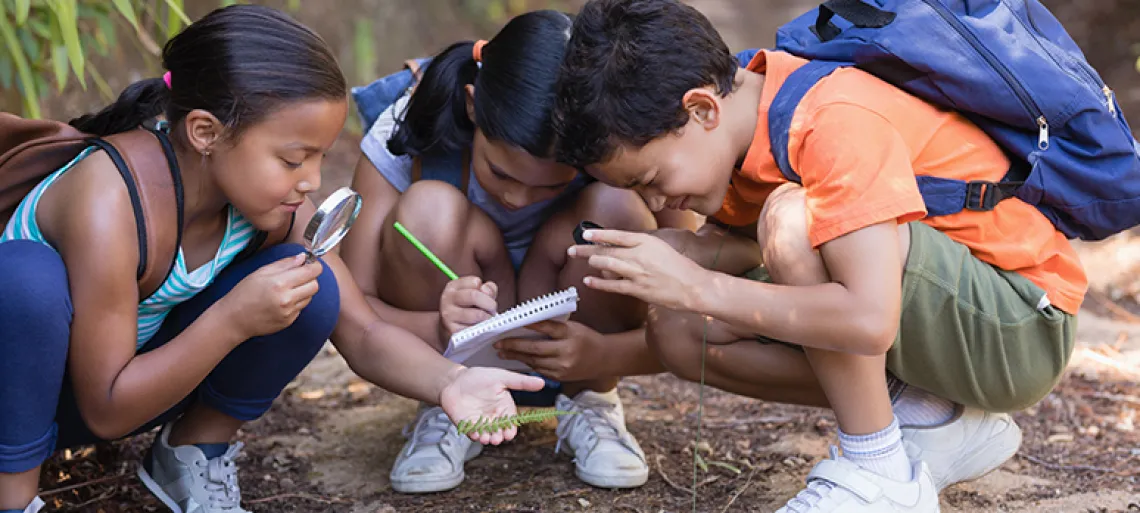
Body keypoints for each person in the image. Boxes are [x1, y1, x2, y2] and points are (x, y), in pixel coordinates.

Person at [0, 6, 545, 512]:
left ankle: (191, 457)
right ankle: (14, 497)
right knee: (28, 282)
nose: (310, 180)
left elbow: (363, 333)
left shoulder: (267, 206)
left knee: (314, 289)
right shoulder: (109, 199)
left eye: (320, 157)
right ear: (206, 133)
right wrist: (232, 319)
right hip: (34, 398)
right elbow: (105, 407)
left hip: (114, 393)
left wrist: (449, 381)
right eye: (292, 159)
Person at [551, 1, 1085, 511]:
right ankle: (934, 419)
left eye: (650, 180)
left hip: (1016, 326)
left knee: (794, 221)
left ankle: (881, 472)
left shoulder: (830, 118)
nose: (655, 203)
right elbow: (763, 255)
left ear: (702, 108)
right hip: (940, 311)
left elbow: (868, 319)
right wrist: (693, 253)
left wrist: (697, 284)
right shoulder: (741, 125)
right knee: (680, 330)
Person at [340, 9, 706, 493]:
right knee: (427, 207)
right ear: (473, 107)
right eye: (501, 175)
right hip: (453, 344)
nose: (517, 198)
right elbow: (352, 302)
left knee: (616, 208)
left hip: (578, 337)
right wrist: (436, 326)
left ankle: (590, 402)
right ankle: (448, 401)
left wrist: (603, 356)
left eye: (549, 187)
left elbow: (694, 289)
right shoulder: (410, 125)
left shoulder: (615, 143)